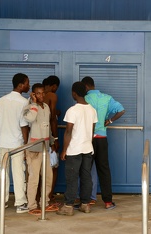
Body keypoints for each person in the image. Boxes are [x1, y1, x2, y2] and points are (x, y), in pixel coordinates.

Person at [81, 76, 125, 210]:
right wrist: (109, 121)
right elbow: (121, 110)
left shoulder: (85, 99)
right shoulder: (106, 97)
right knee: (104, 170)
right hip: (102, 138)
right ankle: (108, 202)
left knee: (86, 170)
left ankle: (86, 201)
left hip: (88, 139)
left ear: (86, 87)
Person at [0, 73, 30, 213]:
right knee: (19, 172)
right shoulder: (24, 102)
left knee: (2, 171)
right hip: (17, 143)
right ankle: (20, 204)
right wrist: (26, 145)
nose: (29, 86)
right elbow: (24, 125)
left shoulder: (2, 100)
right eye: (27, 83)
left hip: (3, 142)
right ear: (21, 85)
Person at [57, 82, 97, 216]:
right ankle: (85, 205)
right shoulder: (92, 109)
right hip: (87, 148)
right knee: (86, 177)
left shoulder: (72, 110)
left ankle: (68, 206)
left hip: (74, 150)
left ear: (74, 93)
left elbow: (68, 132)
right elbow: (92, 131)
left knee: (72, 178)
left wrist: (64, 150)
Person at [23, 83, 58, 215]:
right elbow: (30, 118)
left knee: (48, 177)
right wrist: (33, 103)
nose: (41, 95)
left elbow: (47, 125)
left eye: (43, 93)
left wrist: (52, 141)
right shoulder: (29, 107)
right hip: (33, 148)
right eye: (38, 93)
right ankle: (31, 205)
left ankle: (45, 202)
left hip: (45, 147)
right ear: (33, 94)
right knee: (34, 178)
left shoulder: (47, 107)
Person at [43, 75, 61, 199]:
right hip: (49, 136)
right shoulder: (52, 96)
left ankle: (39, 196)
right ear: (54, 86)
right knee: (53, 167)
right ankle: (49, 195)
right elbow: (52, 119)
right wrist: (55, 139)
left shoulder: (34, 96)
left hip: (36, 138)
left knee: (38, 168)